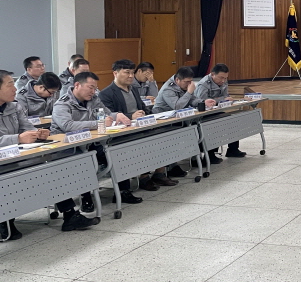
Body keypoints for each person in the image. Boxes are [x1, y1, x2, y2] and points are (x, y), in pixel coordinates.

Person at [0, 70, 98, 237]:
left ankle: (70, 215)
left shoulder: (14, 106)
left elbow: (27, 128)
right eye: (10, 85)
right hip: (4, 163)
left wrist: (38, 133)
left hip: (18, 157)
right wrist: (18, 138)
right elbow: (19, 136)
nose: (15, 89)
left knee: (51, 169)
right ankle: (5, 222)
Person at [51, 71, 143, 207]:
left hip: (90, 142)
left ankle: (123, 191)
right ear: (77, 85)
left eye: (95, 88)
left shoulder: (94, 99)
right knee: (84, 162)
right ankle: (86, 197)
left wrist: (117, 115)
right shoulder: (62, 104)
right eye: (90, 87)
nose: (93, 91)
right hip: (68, 146)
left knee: (117, 155)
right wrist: (98, 123)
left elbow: (107, 113)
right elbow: (67, 126)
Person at [99, 59, 176, 189]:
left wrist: (145, 113)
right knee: (143, 142)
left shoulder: (133, 89)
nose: (130, 76)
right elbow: (110, 116)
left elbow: (142, 107)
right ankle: (144, 177)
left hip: (140, 126)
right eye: (126, 72)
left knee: (164, 135)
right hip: (123, 133)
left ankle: (159, 173)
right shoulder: (106, 93)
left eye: (132, 73)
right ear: (115, 73)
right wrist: (131, 116)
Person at [153, 66, 218, 161]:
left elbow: (192, 100)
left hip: (179, 119)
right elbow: (177, 106)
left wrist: (203, 102)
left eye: (190, 81)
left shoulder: (184, 86)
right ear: (177, 80)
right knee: (190, 130)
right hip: (164, 121)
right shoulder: (168, 89)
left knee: (201, 126)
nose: (189, 84)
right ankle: (176, 163)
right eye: (186, 82)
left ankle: (198, 157)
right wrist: (189, 92)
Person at [195, 63, 244, 158]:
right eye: (221, 78)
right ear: (212, 74)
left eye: (225, 78)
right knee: (215, 124)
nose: (223, 81)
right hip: (204, 114)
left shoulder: (223, 81)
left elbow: (225, 96)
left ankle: (233, 150)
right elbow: (202, 102)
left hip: (217, 110)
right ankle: (210, 154)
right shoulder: (203, 84)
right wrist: (222, 99)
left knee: (233, 120)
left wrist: (226, 99)